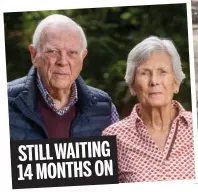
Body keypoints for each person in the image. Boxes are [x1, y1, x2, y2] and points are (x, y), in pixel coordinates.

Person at [8, 14, 119, 140]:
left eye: (72, 53)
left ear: (83, 57)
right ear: (34, 55)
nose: (63, 61)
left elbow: (119, 157)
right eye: (52, 51)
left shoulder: (104, 107)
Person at [102, 36, 195, 182]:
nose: (154, 81)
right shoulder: (113, 137)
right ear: (132, 85)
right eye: (144, 73)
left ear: (176, 83)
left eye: (162, 72)